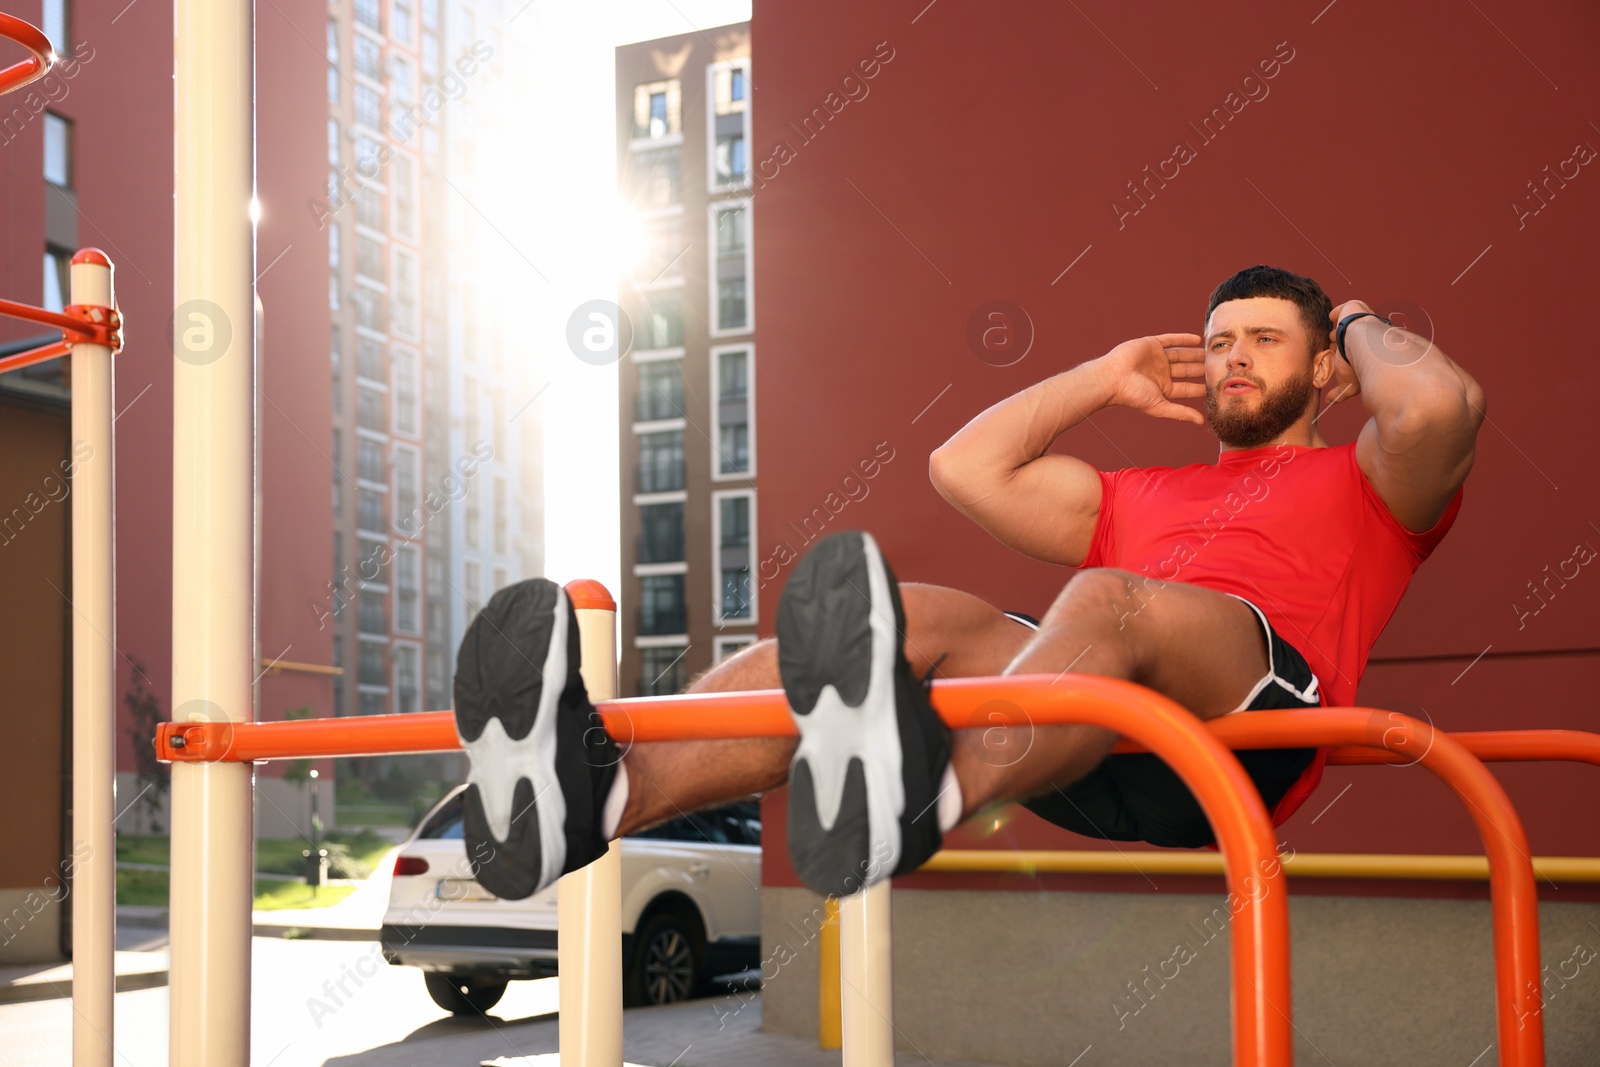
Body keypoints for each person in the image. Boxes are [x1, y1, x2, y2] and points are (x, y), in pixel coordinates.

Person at [451, 265, 1486, 901]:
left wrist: (1351, 319)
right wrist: (1100, 377)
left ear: (1322, 372)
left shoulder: (1364, 481)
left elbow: (1440, 404)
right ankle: (598, 790)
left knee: (1105, 599)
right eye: (1217, 344)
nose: (1230, 360)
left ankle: (919, 789)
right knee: (916, 617)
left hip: (1251, 732)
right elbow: (961, 468)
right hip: (1089, 732)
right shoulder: (1137, 491)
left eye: (1263, 340)